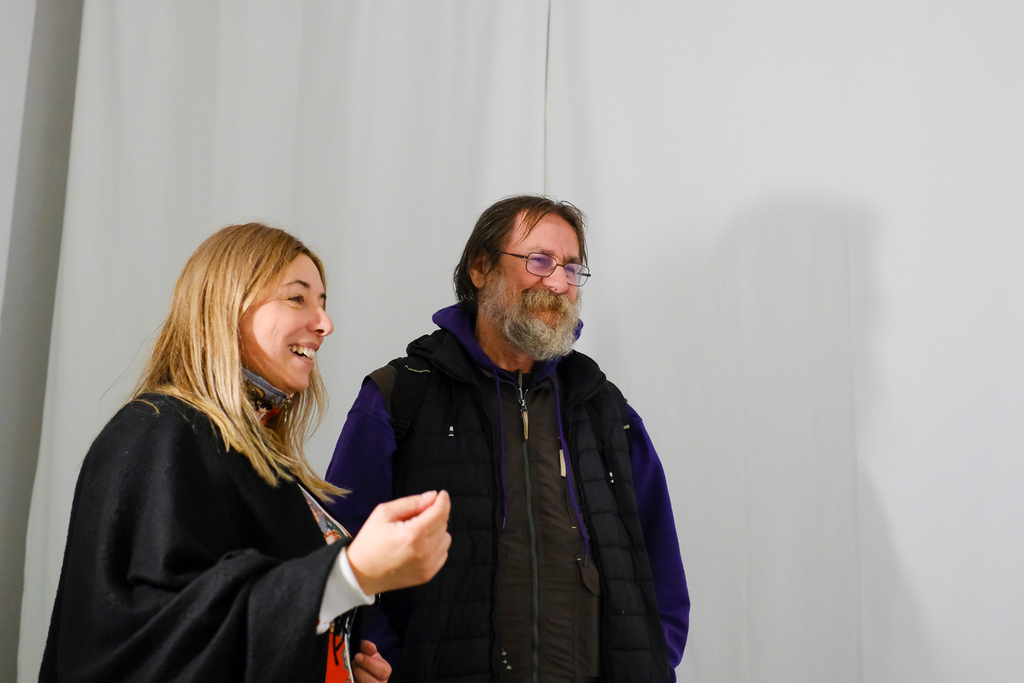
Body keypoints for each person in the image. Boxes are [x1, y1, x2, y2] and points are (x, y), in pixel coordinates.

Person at [40, 223, 451, 683]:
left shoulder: (256, 458)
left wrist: (334, 665)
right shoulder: (156, 431)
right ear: (228, 307)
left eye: (322, 302)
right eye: (297, 298)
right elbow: (152, 639)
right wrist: (348, 574)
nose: (325, 323)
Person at [324, 196, 689, 682]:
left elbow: (658, 566)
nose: (558, 283)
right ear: (481, 268)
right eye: (539, 261)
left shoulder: (604, 409)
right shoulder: (400, 397)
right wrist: (381, 660)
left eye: (571, 268)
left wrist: (652, 660)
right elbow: (337, 549)